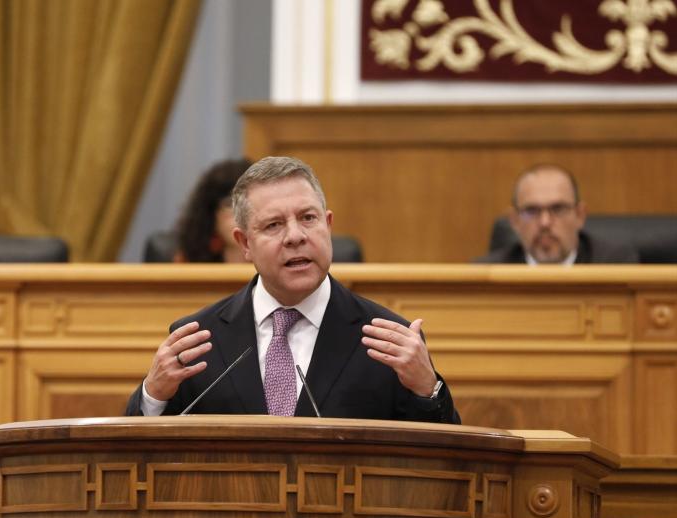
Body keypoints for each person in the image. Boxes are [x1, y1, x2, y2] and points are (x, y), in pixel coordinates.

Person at [126, 156, 459, 423]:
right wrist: (154, 395)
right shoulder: (198, 339)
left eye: (308, 218)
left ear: (327, 225)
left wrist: (427, 390)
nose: (295, 236)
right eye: (274, 225)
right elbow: (140, 456)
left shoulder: (389, 340)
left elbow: (445, 466)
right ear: (244, 243)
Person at [477, 164, 639, 265]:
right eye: (532, 211)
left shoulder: (615, 267)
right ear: (514, 220)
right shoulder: (488, 273)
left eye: (558, 209)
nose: (545, 222)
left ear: (580, 215)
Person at [174, 158, 253, 263]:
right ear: (211, 214)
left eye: (247, 202)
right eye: (229, 204)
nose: (240, 213)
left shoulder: (276, 261)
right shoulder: (190, 261)